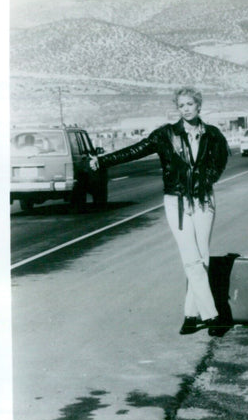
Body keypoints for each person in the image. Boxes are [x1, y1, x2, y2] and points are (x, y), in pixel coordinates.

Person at [92, 87, 231, 336]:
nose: (186, 109)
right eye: (181, 105)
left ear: (199, 106)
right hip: (176, 201)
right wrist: (103, 161)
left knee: (202, 257)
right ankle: (212, 316)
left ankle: (190, 315)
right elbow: (136, 150)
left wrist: (207, 179)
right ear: (177, 108)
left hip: (204, 201)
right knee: (191, 258)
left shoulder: (213, 134)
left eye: (190, 104)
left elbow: (220, 160)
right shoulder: (165, 134)